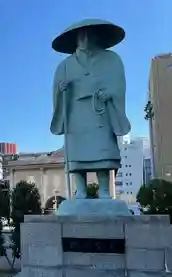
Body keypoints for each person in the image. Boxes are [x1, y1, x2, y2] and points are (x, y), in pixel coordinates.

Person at [50, 19, 131, 199]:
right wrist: (60, 90)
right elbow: (56, 89)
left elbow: (119, 85)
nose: (86, 39)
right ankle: (81, 189)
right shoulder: (64, 66)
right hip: (75, 113)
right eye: (82, 35)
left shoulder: (111, 59)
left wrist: (110, 93)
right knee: (77, 152)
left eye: (90, 34)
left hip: (99, 112)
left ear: (97, 36)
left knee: (102, 149)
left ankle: (104, 189)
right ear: (75, 39)